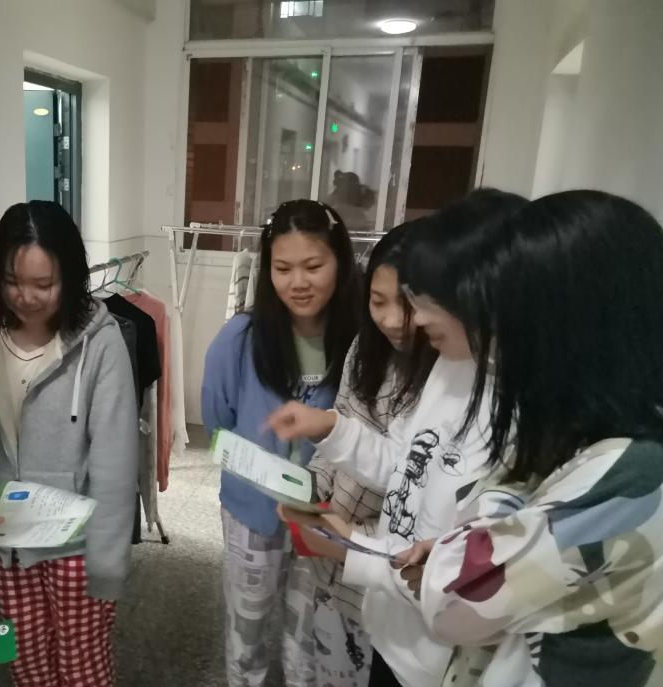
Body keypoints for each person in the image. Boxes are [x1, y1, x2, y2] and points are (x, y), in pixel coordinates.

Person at [396, 191, 663, 686]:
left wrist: (472, 539)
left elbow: (453, 599)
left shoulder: (633, 472)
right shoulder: (597, 435)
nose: (494, 341)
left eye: (505, 316)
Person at [268, 189, 527, 687]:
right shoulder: (452, 362)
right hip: (393, 629)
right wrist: (331, 429)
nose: (408, 318)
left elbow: (474, 577)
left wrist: (353, 549)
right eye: (383, 300)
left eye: (424, 299)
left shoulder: (522, 415)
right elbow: (406, 463)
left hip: (439, 656)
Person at [0, 200, 138, 687]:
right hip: (6, 536)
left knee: (82, 666)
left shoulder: (100, 342)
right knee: (26, 663)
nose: (26, 297)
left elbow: (116, 458)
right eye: (12, 281)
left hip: (74, 543)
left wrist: (108, 561)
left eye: (44, 284)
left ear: (70, 277)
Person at [202, 199, 362, 687]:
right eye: (283, 268)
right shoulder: (240, 338)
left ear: (340, 262)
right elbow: (218, 421)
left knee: (310, 634)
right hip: (254, 513)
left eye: (313, 266)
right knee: (247, 628)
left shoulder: (359, 341)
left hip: (327, 516)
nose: (298, 282)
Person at [284, 219, 438, 687]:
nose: (391, 320)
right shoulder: (365, 349)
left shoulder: (445, 377)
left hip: (386, 570)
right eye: (378, 301)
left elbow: (413, 487)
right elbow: (341, 426)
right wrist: (310, 489)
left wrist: (347, 541)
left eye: (408, 305)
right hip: (335, 556)